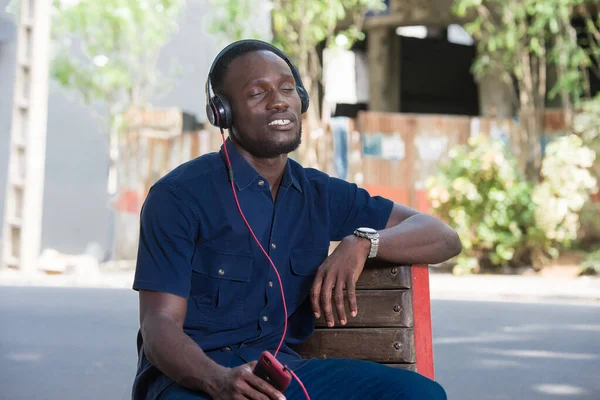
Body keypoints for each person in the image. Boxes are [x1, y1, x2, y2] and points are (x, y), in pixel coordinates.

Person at [131, 39, 462, 400]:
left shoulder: (320, 193)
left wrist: (365, 242)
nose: (279, 101)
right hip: (193, 381)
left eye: (288, 88)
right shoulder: (178, 196)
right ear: (222, 113)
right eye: (258, 93)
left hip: (280, 375)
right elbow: (158, 325)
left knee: (420, 395)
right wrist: (219, 381)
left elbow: (443, 236)